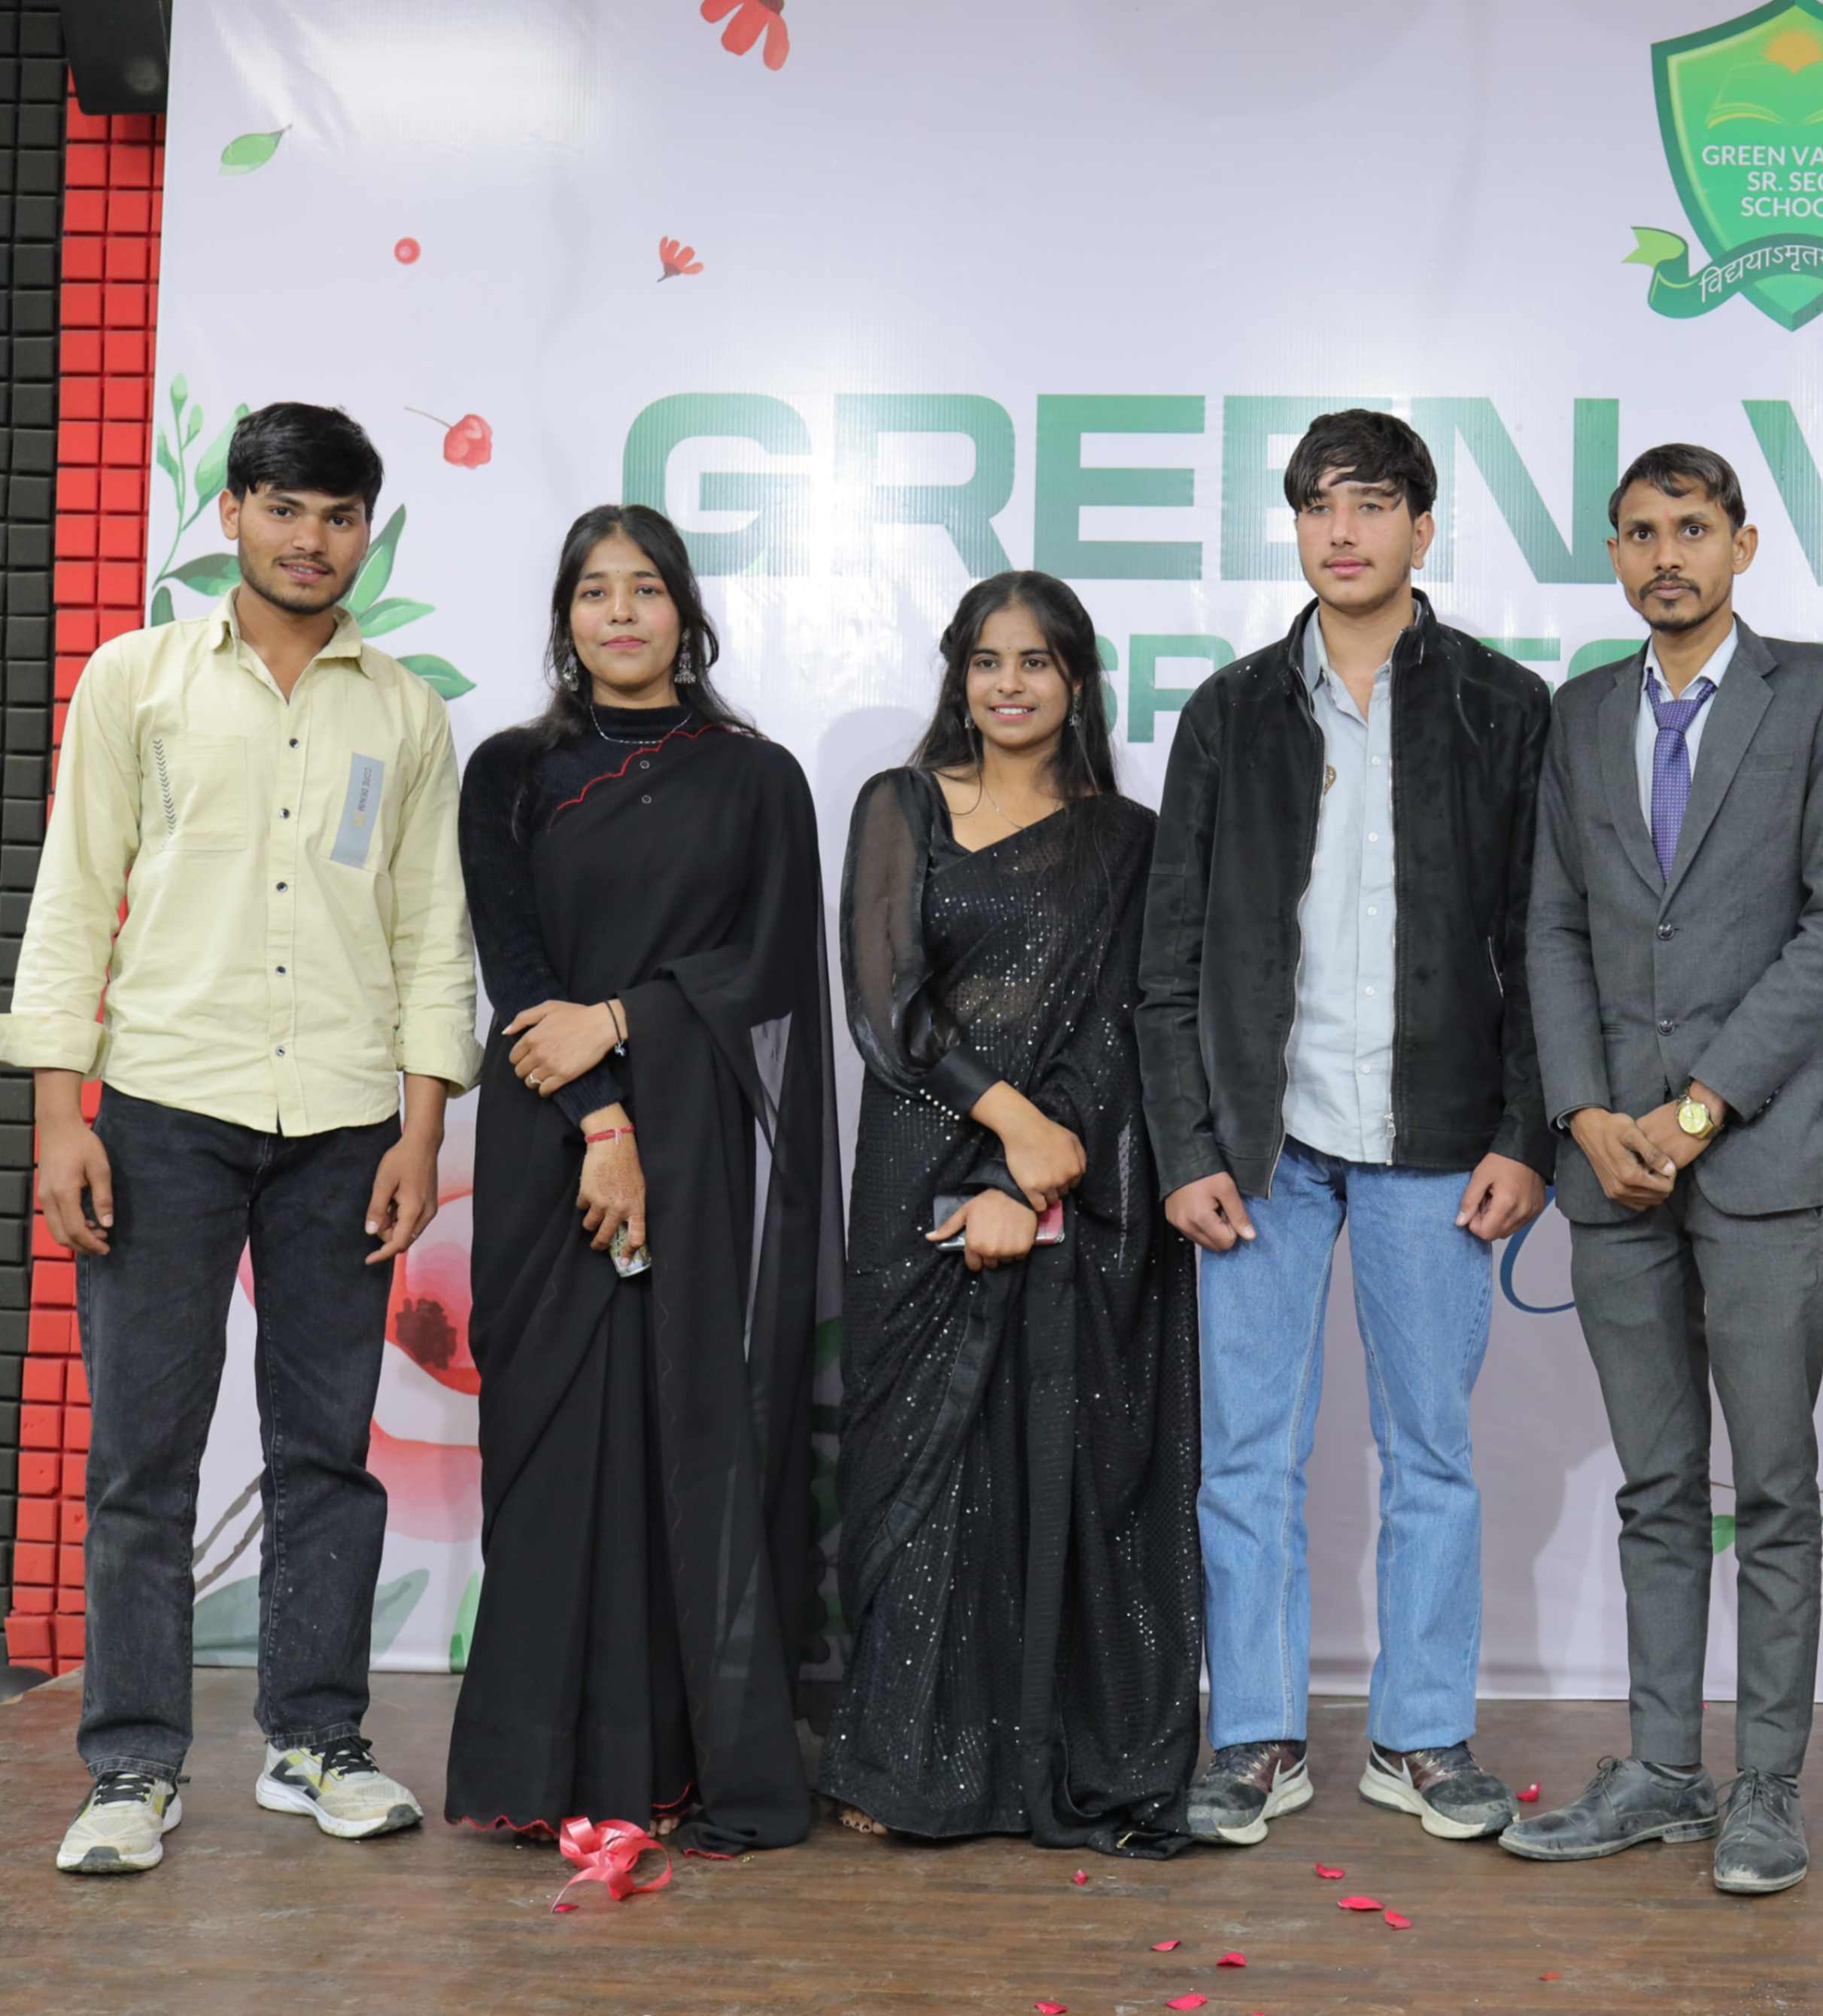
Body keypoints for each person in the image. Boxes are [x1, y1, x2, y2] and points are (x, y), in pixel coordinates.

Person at [3, 403, 475, 1874]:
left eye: (338, 515)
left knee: (326, 1451)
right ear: (230, 512)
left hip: (344, 1120)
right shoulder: (135, 678)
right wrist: (60, 1115)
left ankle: (316, 1741)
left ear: (365, 531)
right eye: (283, 508)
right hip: (162, 1106)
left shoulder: (404, 711)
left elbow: (431, 930)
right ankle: (132, 1766)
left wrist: (421, 1130)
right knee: (143, 1458)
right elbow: (73, 896)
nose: (310, 539)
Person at [1138, 408, 1554, 1847]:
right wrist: (1187, 1146)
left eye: (1371, 502)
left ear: (1422, 529)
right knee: (1246, 1455)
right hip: (1264, 1148)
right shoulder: (1231, 711)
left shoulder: (1502, 707)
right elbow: (1170, 958)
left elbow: (1540, 942)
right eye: (1319, 503)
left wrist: (1526, 1132)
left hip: (1437, 1137)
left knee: (1429, 1451)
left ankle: (1422, 1737)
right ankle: (1255, 1735)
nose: (1343, 529)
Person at [1504, 445, 1823, 1895]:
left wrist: (1702, 1108)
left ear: (1741, 545)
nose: (1666, 555)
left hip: (1764, 1158)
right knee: (1656, 1486)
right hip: (1610, 1166)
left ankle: (1765, 1789)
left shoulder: (1822, 696)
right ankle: (1662, 1772)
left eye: (1692, 529)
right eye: (1639, 533)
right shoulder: (1582, 711)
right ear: (1613, 553)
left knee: (1774, 1487)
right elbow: (1550, 926)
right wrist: (1585, 1112)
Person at [442, 503, 837, 1853]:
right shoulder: (510, 771)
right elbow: (514, 963)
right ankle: (538, 1766)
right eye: (594, 591)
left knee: (686, 1434)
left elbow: (772, 968)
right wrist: (599, 1120)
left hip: (694, 1142)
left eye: (646, 588)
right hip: (547, 1138)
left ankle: (675, 1759)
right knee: (549, 1444)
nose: (620, 612)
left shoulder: (756, 777)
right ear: (565, 617)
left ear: (686, 612)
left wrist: (622, 1026)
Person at [819, 571, 1199, 1853]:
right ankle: (904, 1764)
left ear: (1076, 680)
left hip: (1067, 1190)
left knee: (1055, 1459)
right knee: (913, 1477)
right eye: (987, 661)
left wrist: (1022, 1178)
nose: (1009, 685)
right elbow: (886, 1007)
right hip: (916, 1175)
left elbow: (1124, 1024)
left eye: (1036, 661)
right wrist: (1006, 1130)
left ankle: (1034, 1759)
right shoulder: (903, 805)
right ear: (958, 676)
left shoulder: (1126, 840)